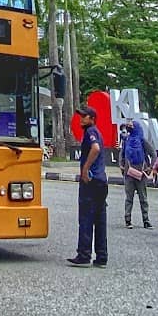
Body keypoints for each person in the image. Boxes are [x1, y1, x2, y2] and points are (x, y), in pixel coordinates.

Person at [67, 105, 109, 267]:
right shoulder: (96, 132)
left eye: (84, 116)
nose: (81, 119)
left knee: (85, 217)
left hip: (90, 182)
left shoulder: (91, 132)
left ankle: (84, 254)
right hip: (101, 182)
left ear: (92, 119)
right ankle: (101, 256)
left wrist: (85, 168)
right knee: (100, 219)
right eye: (81, 116)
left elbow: (96, 148)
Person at [119, 121, 153, 229]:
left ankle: (146, 220)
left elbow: (153, 153)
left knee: (143, 198)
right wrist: (121, 165)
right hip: (129, 174)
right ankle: (128, 220)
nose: (129, 128)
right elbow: (122, 154)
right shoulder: (127, 140)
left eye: (131, 126)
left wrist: (150, 167)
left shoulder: (142, 141)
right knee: (129, 198)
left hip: (141, 174)